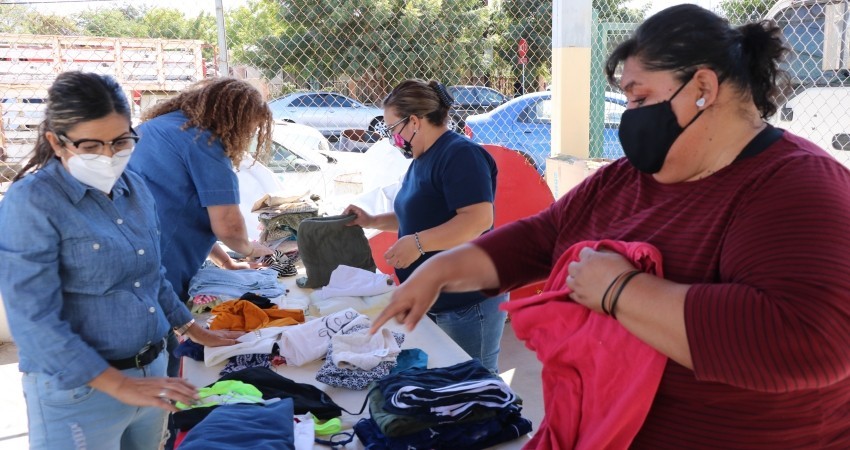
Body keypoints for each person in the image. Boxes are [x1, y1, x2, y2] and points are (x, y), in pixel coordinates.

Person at [370, 5, 850, 448]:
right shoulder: (627, 179)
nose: (631, 118)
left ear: (703, 89)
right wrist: (438, 271)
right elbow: (541, 238)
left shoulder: (797, 186)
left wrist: (619, 290)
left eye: (640, 99)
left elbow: (810, 339)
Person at [0, 71, 240, 450]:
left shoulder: (134, 188)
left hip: (151, 375)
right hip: (80, 391)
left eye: (121, 141)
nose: (110, 156)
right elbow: (34, 321)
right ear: (56, 142)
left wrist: (194, 329)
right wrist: (120, 385)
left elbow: (151, 276)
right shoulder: (32, 202)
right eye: (92, 145)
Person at [344, 79, 507, 373]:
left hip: (467, 301)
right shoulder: (421, 159)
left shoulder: (460, 155)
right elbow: (418, 218)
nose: (392, 138)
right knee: (444, 385)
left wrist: (417, 244)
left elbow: (478, 220)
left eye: (393, 129)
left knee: (474, 387)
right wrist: (371, 221)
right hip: (434, 297)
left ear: (415, 122)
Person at [128, 78, 276, 376]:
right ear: (234, 120)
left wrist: (226, 263)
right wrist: (249, 250)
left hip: (131, 265)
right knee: (160, 366)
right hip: (158, 279)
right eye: (250, 128)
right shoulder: (205, 143)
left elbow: (182, 209)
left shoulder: (155, 129)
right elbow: (228, 226)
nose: (248, 136)